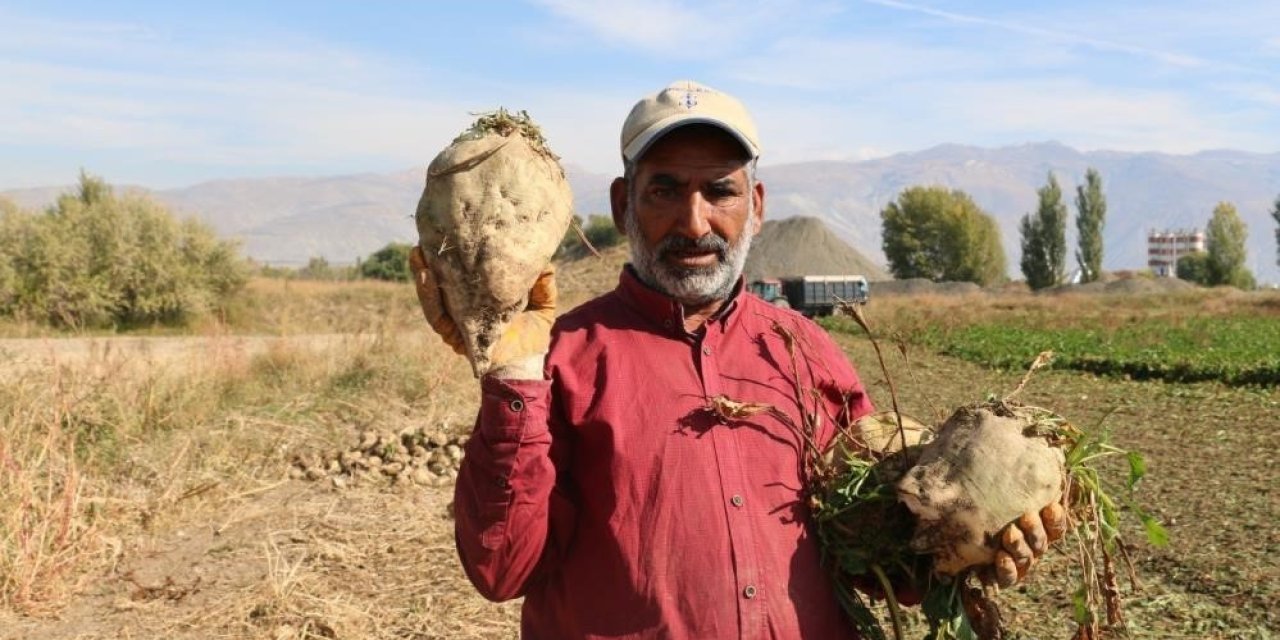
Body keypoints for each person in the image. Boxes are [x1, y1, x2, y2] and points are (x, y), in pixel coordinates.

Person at [410, 80, 1060, 639]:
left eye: (719, 190)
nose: (694, 223)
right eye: (663, 190)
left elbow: (874, 559)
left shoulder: (810, 355)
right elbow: (501, 568)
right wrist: (513, 375)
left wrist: (974, 543)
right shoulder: (562, 362)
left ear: (756, 206)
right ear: (621, 204)